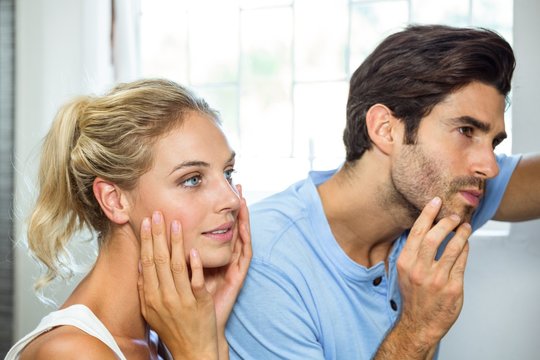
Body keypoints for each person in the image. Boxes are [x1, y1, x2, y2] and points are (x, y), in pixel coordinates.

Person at [224, 25, 540, 359]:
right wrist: (418, 329)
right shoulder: (265, 263)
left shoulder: (443, 200)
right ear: (385, 129)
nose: (489, 167)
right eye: (466, 130)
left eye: (493, 143)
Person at [5, 79, 252, 359]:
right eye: (192, 179)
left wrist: (211, 331)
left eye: (228, 173)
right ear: (114, 199)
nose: (231, 199)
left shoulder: (158, 341)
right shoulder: (72, 353)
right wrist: (199, 352)